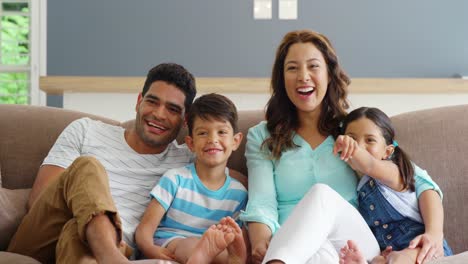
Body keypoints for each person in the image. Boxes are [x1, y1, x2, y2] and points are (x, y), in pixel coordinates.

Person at [238, 29, 445, 264]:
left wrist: (435, 234)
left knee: (322, 194)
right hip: (292, 244)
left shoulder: (352, 130)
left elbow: (418, 181)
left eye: (313, 66)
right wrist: (260, 241)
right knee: (320, 254)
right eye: (292, 68)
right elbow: (262, 202)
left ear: (329, 74)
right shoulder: (262, 136)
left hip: (351, 241)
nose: (303, 76)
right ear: (281, 78)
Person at [7, 63, 197, 264]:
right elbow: (40, 199)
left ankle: (105, 253)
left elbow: (227, 171)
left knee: (76, 234)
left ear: (185, 120)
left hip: (109, 249)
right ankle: (110, 256)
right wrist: (95, 225)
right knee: (88, 166)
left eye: (172, 109)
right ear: (139, 102)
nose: (159, 114)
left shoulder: (186, 161)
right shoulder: (86, 131)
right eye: (152, 101)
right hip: (43, 240)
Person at [135, 93, 248, 264]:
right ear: (191, 143)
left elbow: (234, 235)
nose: (213, 140)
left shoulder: (239, 193)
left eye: (221, 132)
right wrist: (151, 250)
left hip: (214, 250)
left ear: (236, 141)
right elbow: (144, 230)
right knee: (190, 244)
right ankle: (200, 257)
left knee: (225, 252)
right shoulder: (175, 179)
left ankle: (230, 260)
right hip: (171, 244)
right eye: (203, 133)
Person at [333, 107, 452, 264]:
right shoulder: (357, 189)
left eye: (369, 140)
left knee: (397, 259)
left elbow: (429, 191)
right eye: (352, 138)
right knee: (378, 260)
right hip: (389, 253)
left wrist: (434, 233)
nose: (360, 146)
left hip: (423, 250)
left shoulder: (392, 170)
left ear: (387, 152)